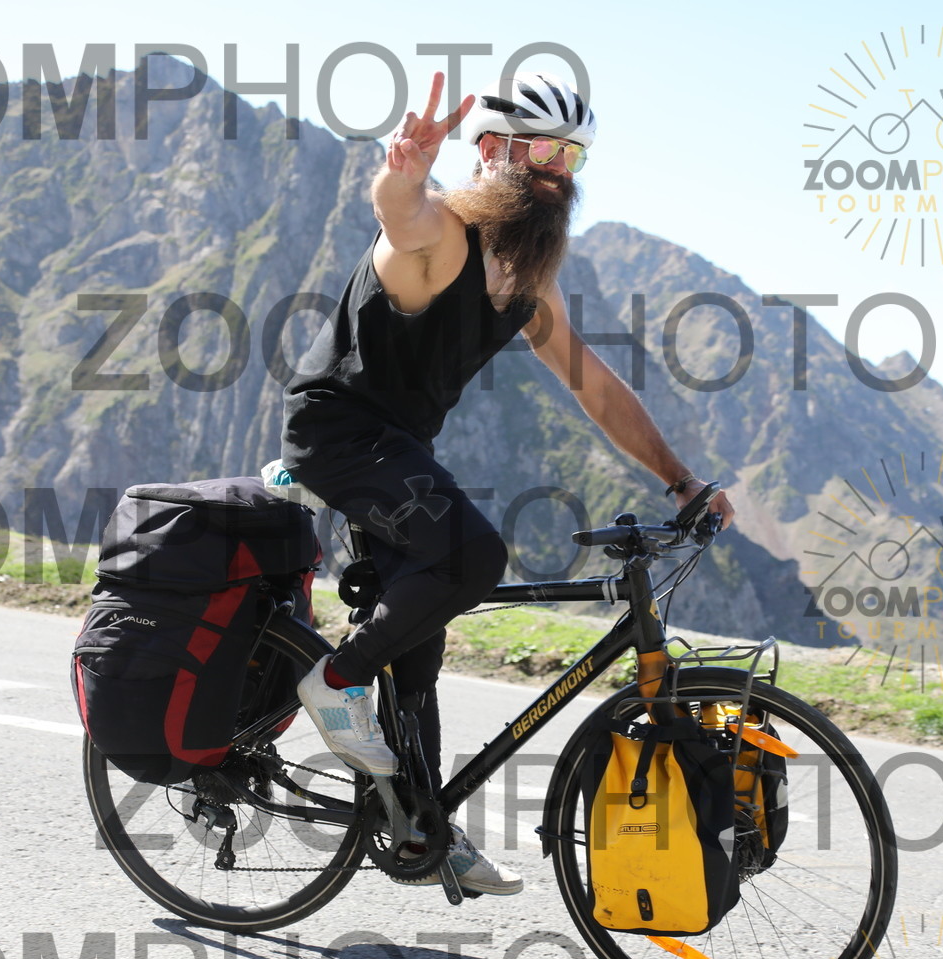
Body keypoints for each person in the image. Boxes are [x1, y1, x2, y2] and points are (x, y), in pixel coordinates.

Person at [281, 70, 734, 895]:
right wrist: (403, 173)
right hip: (338, 435)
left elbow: (594, 385)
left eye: (572, 157)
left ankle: (420, 823)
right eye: (542, 152)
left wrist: (680, 480)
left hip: (398, 449)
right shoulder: (440, 239)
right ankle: (336, 682)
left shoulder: (524, 281)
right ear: (491, 150)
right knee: (471, 557)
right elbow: (400, 217)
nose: (559, 172)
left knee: (419, 648)